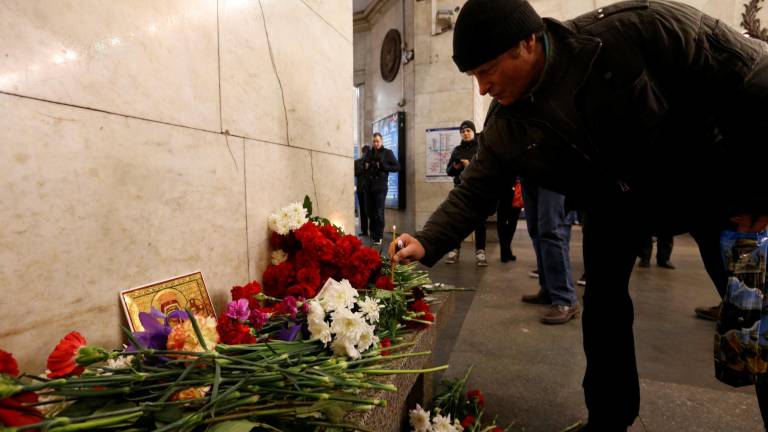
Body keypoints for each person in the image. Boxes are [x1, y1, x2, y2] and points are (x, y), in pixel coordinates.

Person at [389, 0, 768, 429]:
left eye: (488, 69)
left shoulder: (638, 29)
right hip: (614, 207)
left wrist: (757, 187)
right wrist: (427, 239)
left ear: (527, 42)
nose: (482, 88)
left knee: (755, 312)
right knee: (604, 307)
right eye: (474, 75)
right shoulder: (508, 123)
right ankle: (609, 418)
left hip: (712, 187)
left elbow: (755, 75)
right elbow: (477, 188)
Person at [520, 182, 579, 324]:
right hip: (529, 172)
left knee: (552, 230)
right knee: (536, 230)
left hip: (554, 170)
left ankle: (565, 299)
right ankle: (548, 289)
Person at [444, 120, 489, 266]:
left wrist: (470, 166)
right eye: (463, 131)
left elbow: (486, 167)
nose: (465, 133)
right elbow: (449, 171)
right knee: (457, 221)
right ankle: (454, 250)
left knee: (480, 222)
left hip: (477, 189)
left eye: (468, 130)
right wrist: (456, 166)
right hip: (460, 189)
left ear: (473, 132)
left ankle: (480, 252)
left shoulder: (481, 147)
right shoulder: (457, 150)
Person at [364, 132, 400, 246]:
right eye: (374, 141)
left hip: (381, 186)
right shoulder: (369, 153)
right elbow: (364, 167)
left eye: (377, 141)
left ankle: (378, 236)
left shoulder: (387, 153)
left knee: (379, 211)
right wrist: (365, 166)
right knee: (369, 211)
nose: (375, 143)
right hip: (369, 186)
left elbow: (398, 167)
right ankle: (373, 233)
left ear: (382, 141)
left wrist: (384, 167)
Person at [496, 178, 522, 262]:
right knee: (502, 221)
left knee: (512, 222)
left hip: (517, 186)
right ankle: (504, 250)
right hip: (503, 185)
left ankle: (506, 248)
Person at [354, 145, 371, 237]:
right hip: (361, 189)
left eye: (368, 151)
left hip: (371, 190)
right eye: (365, 151)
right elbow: (355, 173)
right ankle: (364, 230)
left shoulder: (372, 162)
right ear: (362, 152)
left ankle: (373, 231)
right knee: (363, 211)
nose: (366, 153)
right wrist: (364, 168)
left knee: (370, 210)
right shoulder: (357, 162)